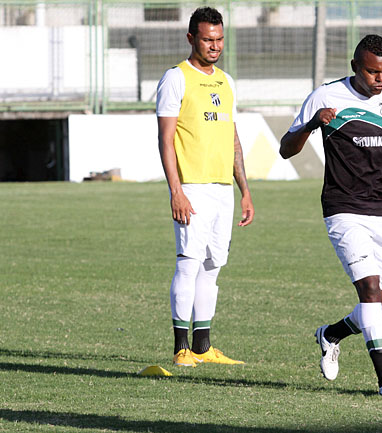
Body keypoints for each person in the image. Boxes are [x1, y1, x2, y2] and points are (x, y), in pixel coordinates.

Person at [279, 34, 382, 396]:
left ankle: (332, 333)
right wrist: (312, 125)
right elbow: (284, 150)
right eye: (372, 72)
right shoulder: (325, 97)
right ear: (355, 66)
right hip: (342, 209)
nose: (379, 79)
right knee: (369, 290)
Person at [156, 6, 254, 367]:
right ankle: (181, 348)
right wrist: (176, 191)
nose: (215, 46)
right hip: (192, 188)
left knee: (212, 267)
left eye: (219, 39)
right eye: (208, 39)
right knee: (188, 264)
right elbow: (166, 140)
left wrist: (244, 189)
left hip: (222, 190)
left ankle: (202, 346)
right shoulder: (176, 78)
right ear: (191, 38)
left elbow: (232, 138)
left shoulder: (227, 82)